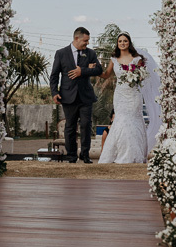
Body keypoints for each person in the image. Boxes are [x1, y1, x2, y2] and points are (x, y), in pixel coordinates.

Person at [49, 27, 103, 164]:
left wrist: (83, 71)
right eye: (85, 40)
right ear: (76, 38)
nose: (87, 43)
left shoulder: (90, 53)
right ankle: (71, 156)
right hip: (68, 96)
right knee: (70, 127)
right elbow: (54, 75)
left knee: (86, 125)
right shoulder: (61, 53)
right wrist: (54, 92)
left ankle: (85, 155)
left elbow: (98, 69)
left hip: (86, 96)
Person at [96, 33, 149, 164]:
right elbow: (106, 75)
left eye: (125, 41)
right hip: (120, 95)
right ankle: (119, 153)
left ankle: (134, 155)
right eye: (120, 41)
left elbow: (143, 75)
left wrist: (137, 76)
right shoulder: (114, 59)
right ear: (117, 44)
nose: (122, 43)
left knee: (133, 121)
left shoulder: (137, 59)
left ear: (129, 43)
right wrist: (94, 70)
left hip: (134, 94)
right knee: (121, 121)